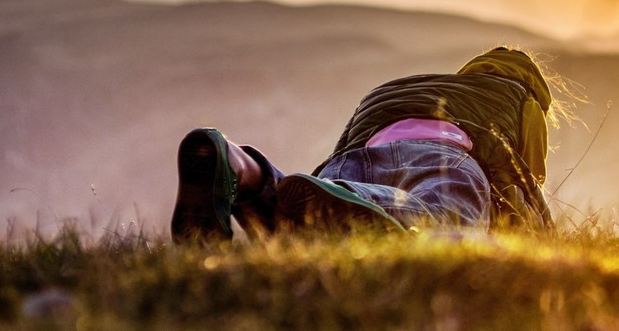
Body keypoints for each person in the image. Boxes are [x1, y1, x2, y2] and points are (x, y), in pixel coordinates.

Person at [170, 46, 560, 240]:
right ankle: (349, 201)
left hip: (357, 157)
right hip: (444, 158)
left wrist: (324, 182)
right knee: (445, 224)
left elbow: (342, 149)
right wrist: (546, 236)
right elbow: (524, 178)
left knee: (293, 226)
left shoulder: (400, 90)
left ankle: (238, 165)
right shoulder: (516, 97)